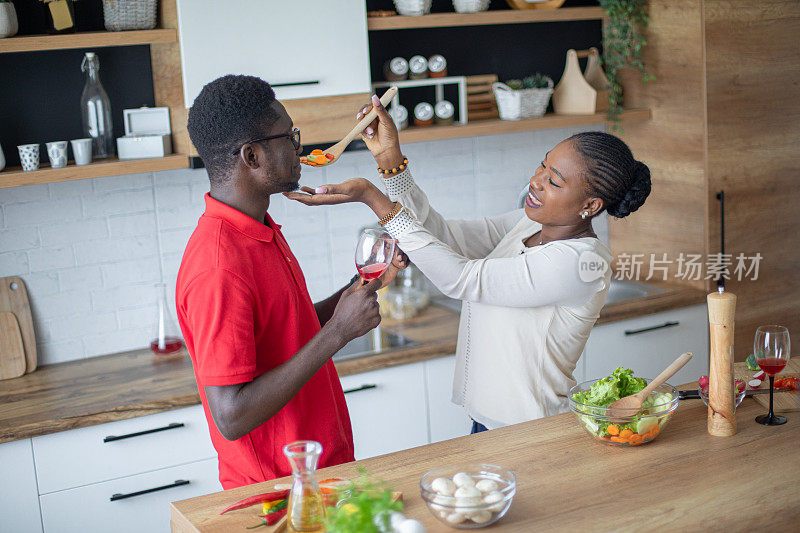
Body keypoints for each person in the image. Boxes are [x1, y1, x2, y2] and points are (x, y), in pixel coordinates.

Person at [286, 95, 652, 433]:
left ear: (591, 206)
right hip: (487, 422)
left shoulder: (580, 261)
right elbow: (445, 236)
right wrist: (390, 162)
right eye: (542, 165)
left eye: (554, 181)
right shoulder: (529, 224)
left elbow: (462, 279)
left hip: (531, 431)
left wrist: (374, 199)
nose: (536, 181)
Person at [177, 76, 405, 489]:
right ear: (252, 156)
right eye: (289, 136)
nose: (299, 147)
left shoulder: (258, 228)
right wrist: (339, 332)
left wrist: (363, 285)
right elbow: (231, 415)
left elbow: (288, 331)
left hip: (321, 476)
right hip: (278, 495)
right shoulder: (218, 266)